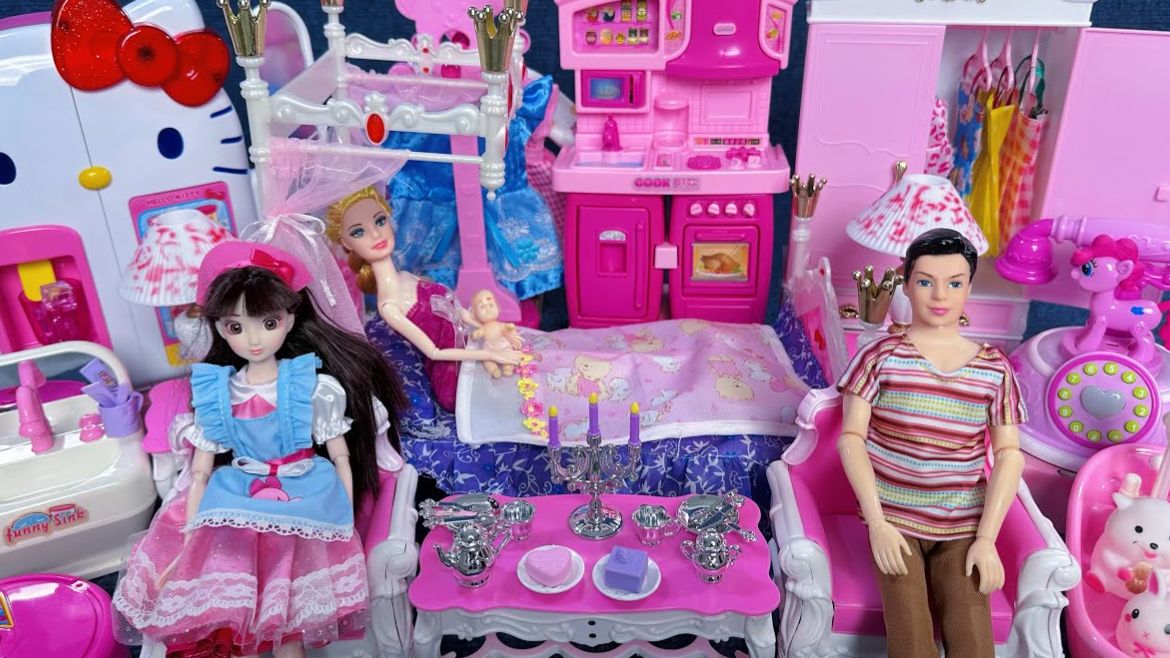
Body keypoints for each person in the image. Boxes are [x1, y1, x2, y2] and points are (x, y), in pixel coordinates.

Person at [113, 241, 408, 658]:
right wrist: (191, 532)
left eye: (268, 323)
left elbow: (340, 455)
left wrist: (342, 518)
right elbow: (200, 471)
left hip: (301, 492)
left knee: (286, 626)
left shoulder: (310, 385)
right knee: (237, 616)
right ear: (220, 329)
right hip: (239, 491)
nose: (254, 339)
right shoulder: (218, 392)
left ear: (290, 319)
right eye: (236, 327)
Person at [836, 228, 1026, 658]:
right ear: (906, 285)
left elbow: (1009, 455)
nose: (940, 295)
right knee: (910, 637)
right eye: (925, 281)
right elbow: (851, 439)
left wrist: (987, 538)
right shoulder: (881, 356)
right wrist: (877, 522)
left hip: (962, 524)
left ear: (969, 288)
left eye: (954, 283)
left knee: (972, 635)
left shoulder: (994, 368)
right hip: (895, 521)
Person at [325, 186, 522, 411]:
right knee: (515, 398)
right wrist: (489, 354)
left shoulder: (407, 276)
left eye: (380, 221)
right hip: (455, 376)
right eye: (358, 232)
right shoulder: (389, 306)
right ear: (346, 243)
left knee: (526, 371)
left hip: (471, 346)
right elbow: (434, 352)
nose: (376, 234)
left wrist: (488, 329)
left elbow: (455, 312)